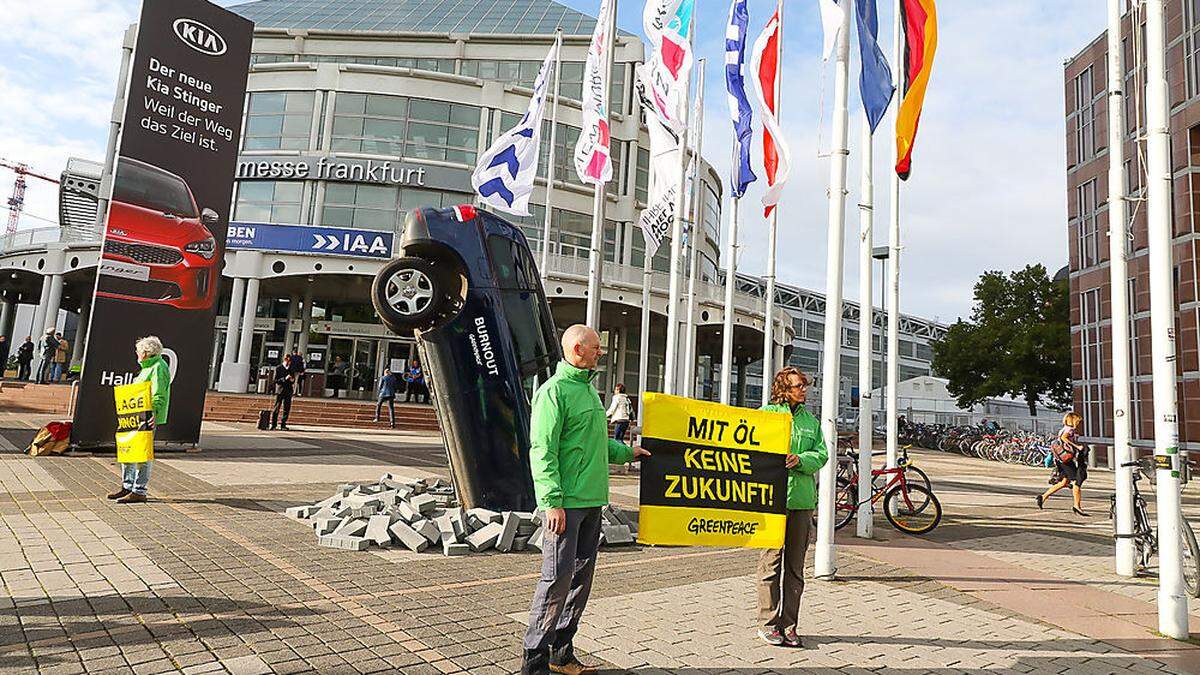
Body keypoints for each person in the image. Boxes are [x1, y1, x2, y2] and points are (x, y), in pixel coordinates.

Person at [521, 324, 650, 675]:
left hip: (593, 502)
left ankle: (561, 654)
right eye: (596, 348)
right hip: (567, 505)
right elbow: (542, 450)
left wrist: (627, 452)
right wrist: (552, 501)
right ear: (578, 349)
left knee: (580, 581)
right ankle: (533, 663)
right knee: (555, 581)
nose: (600, 353)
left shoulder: (589, 393)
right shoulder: (554, 392)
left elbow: (597, 443)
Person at [756, 366, 828, 648]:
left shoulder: (811, 421)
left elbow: (821, 454)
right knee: (771, 563)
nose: (803, 389)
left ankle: (790, 625)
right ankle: (767, 623)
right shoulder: (766, 415)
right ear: (783, 389)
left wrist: (800, 460)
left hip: (801, 501)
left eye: (804, 385)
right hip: (772, 500)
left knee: (795, 568)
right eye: (798, 385)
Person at [108, 336, 170, 504]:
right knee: (129, 449)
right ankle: (127, 486)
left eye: (138, 350)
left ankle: (139, 490)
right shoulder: (147, 368)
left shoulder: (158, 367)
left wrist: (153, 414)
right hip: (135, 416)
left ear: (145, 352)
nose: (136, 353)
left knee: (142, 453)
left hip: (146, 417)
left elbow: (159, 394)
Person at [1037, 412, 1089, 516]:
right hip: (1066, 460)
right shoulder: (1069, 430)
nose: (1079, 423)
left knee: (1064, 482)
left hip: (1060, 459)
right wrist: (1077, 447)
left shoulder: (1064, 428)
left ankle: (1043, 497)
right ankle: (1077, 506)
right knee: (1076, 482)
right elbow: (1064, 438)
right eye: (1078, 421)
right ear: (1073, 420)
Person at [271, 354, 295, 430]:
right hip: (280, 390)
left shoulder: (291, 369)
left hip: (288, 390)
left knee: (286, 408)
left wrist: (292, 380)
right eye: (288, 361)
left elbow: (293, 379)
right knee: (277, 407)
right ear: (285, 360)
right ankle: (274, 424)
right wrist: (285, 378)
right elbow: (275, 380)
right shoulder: (279, 368)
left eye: (290, 361)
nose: (289, 363)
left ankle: (283, 424)